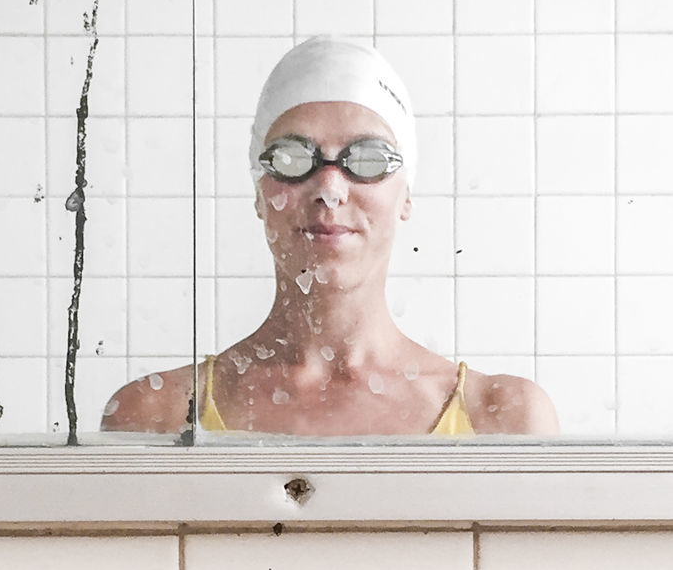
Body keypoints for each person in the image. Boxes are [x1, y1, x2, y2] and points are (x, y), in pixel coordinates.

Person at [102, 36, 558, 437]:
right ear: (260, 193)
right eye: (292, 158)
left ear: (406, 195)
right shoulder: (157, 413)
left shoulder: (501, 417)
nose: (329, 189)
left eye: (369, 159)